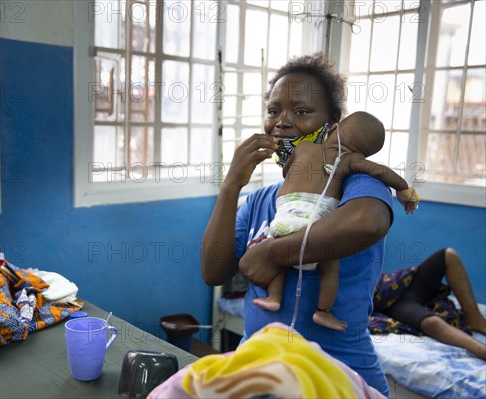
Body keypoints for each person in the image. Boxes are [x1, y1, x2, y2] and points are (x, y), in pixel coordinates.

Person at [201, 53, 393, 396]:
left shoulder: (354, 181)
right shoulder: (261, 199)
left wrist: (274, 254)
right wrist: (231, 186)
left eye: (301, 111)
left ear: (333, 124)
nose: (282, 123)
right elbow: (213, 272)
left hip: (338, 373)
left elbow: (368, 223)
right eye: (273, 111)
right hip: (258, 369)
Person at [253, 111, 420, 334]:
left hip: (284, 212)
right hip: (313, 217)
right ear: (364, 152)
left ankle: (274, 297)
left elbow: (287, 169)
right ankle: (322, 311)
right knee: (330, 267)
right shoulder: (351, 160)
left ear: (331, 130)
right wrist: (405, 191)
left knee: (278, 254)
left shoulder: (304, 148)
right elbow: (380, 171)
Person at [370, 247, 486, 360]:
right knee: (431, 323)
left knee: (448, 255)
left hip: (399, 284)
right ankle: (481, 350)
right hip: (392, 304)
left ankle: (475, 319)